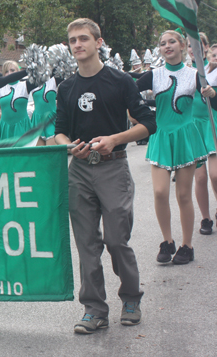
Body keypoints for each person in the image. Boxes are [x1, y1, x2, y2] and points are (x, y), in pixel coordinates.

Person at [55, 18, 156, 334]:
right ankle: (94, 309)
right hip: (80, 171)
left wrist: (115, 138)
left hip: (113, 167)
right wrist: (70, 147)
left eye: (83, 38)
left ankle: (131, 298)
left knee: (115, 239)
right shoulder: (66, 87)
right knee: (86, 244)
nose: (77, 45)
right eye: (72, 40)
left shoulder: (120, 81)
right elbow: (59, 133)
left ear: (99, 42)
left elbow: (148, 124)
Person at [136, 30, 217, 265]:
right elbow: (128, 92)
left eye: (172, 42)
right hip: (161, 136)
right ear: (159, 49)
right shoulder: (152, 75)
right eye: (162, 43)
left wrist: (212, 93)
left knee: (183, 195)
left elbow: (214, 103)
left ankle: (187, 245)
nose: (167, 46)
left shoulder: (195, 75)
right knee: (160, 192)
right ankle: (167, 241)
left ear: (182, 46)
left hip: (186, 137)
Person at [187, 34, 217, 235]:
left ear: (205, 47)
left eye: (197, 45)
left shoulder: (212, 68)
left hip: (212, 122)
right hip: (194, 125)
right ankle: (205, 218)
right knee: (199, 178)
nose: (192, 48)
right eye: (189, 45)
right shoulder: (184, 71)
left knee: (215, 175)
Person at [0, 60, 34, 141]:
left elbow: (40, 75)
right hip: (5, 128)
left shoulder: (25, 85)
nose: (9, 73)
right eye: (6, 71)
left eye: (12, 70)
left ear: (18, 71)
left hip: (22, 126)